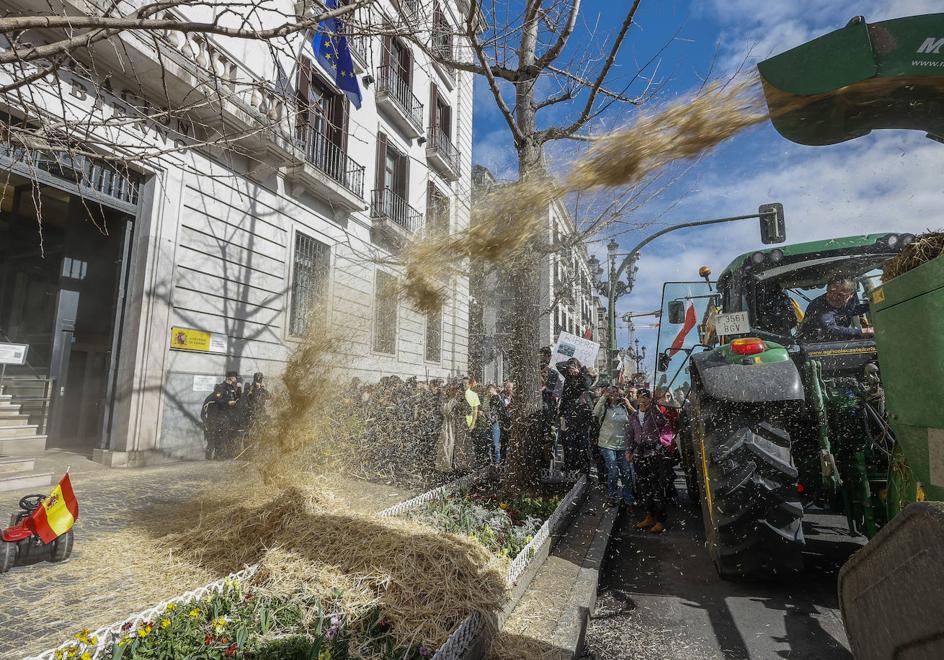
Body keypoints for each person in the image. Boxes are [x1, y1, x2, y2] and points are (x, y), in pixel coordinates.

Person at [625, 388, 671, 533]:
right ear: (637, 399)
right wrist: (629, 450)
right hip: (639, 455)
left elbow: (667, 429)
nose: (643, 400)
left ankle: (660, 520)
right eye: (640, 398)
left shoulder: (655, 413)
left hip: (654, 454)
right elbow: (629, 434)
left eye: (645, 398)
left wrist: (664, 443)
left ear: (650, 399)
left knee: (657, 487)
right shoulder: (633, 416)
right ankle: (649, 516)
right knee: (644, 488)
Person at [593, 385, 636, 508]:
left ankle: (628, 499)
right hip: (607, 444)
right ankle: (612, 496)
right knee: (613, 471)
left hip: (623, 445)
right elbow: (595, 412)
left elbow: (637, 416)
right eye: (611, 391)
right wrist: (604, 396)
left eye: (616, 391)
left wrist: (628, 404)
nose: (613, 393)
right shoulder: (604, 407)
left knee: (626, 472)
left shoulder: (624, 407)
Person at [799, 277, 873, 341]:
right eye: (831, 292)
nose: (834, 297)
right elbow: (831, 330)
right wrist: (865, 331)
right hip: (813, 347)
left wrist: (872, 305)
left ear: (851, 295)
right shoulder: (818, 307)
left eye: (841, 295)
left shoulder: (850, 301)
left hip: (839, 344)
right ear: (827, 289)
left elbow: (851, 310)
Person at [557, 358, 594, 478]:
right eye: (569, 369)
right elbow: (558, 365)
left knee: (583, 443)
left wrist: (581, 369)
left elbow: (586, 385)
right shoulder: (568, 378)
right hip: (569, 414)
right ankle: (570, 466)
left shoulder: (585, 375)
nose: (571, 371)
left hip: (583, 415)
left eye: (573, 368)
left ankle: (585, 469)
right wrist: (570, 364)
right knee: (569, 442)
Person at [201, 370, 241, 460]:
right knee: (220, 436)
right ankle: (218, 455)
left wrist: (239, 389)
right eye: (235, 377)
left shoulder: (231, 387)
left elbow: (237, 398)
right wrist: (227, 403)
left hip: (228, 416)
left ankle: (221, 454)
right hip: (220, 416)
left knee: (225, 436)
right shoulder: (220, 387)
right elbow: (218, 400)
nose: (236, 379)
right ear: (229, 377)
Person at [482, 383, 506, 465]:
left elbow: (502, 411)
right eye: (488, 390)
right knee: (492, 444)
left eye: (490, 390)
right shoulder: (491, 398)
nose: (489, 392)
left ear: (494, 389)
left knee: (495, 444)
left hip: (495, 423)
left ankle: (497, 463)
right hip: (491, 423)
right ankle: (494, 462)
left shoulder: (496, 397)